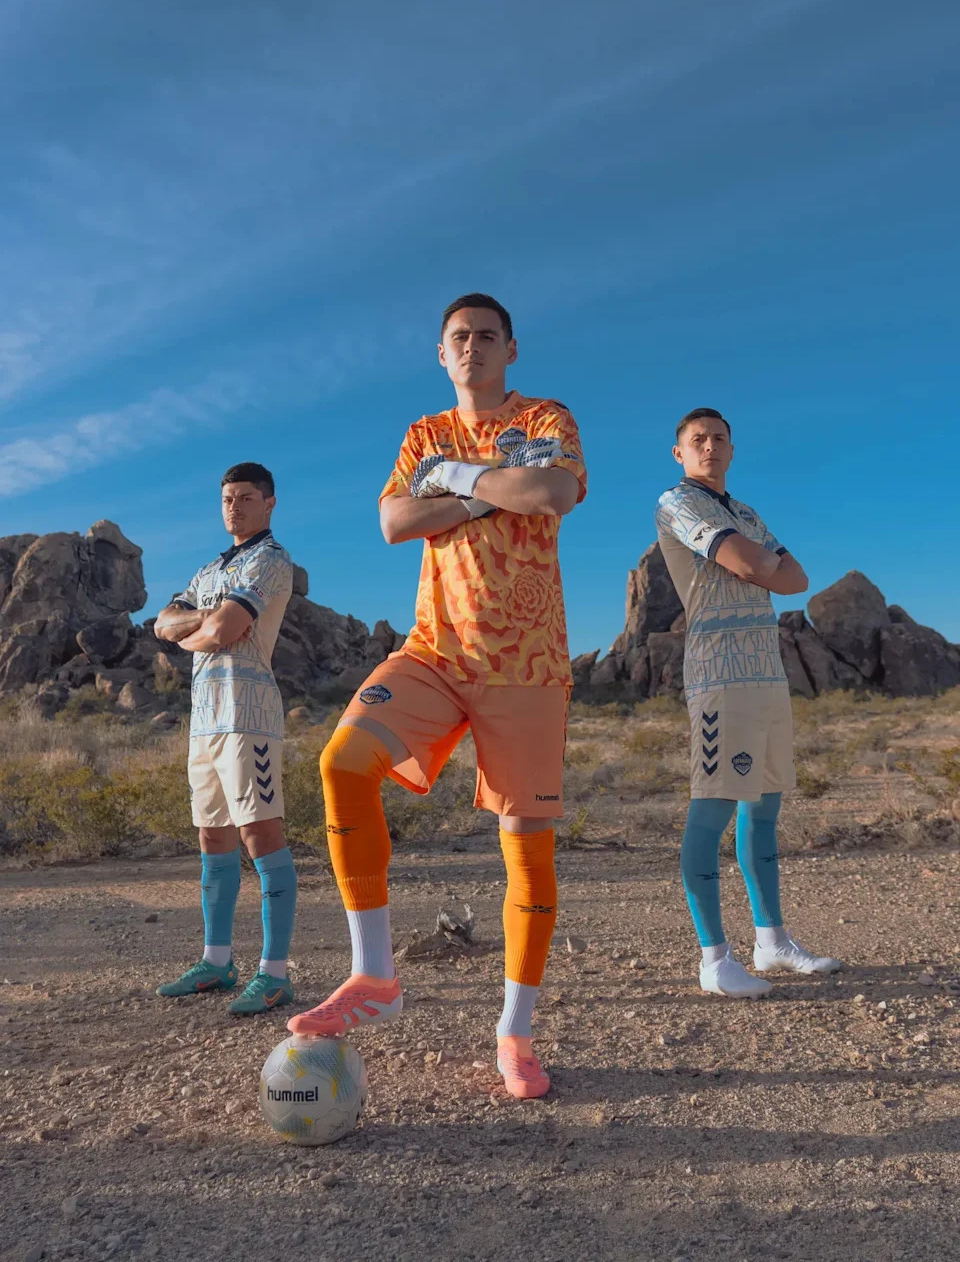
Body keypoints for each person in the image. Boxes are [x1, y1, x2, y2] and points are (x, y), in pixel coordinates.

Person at [287, 293, 587, 1099]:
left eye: (488, 337)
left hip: (526, 664)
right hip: (435, 649)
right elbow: (392, 519)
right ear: (442, 352)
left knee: (526, 846)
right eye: (460, 338)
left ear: (511, 350)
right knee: (343, 762)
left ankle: (515, 1035)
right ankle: (373, 975)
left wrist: (456, 482)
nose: (474, 348)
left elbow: (554, 494)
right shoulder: (423, 434)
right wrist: (484, 490)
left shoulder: (548, 415)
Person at [655, 409, 841, 998]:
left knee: (763, 810)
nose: (709, 447)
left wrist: (762, 563)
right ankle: (714, 959)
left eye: (718, 439)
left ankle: (772, 940)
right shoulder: (677, 503)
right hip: (719, 676)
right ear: (679, 452)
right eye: (697, 440)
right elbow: (753, 564)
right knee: (712, 810)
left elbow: (798, 577)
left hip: (765, 673)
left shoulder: (746, 513)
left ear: (732, 449)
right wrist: (761, 564)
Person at [153, 462, 297, 1014]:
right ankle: (217, 962)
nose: (233, 507)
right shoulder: (211, 569)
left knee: (260, 834)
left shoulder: (271, 560)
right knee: (213, 838)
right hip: (205, 718)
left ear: (269, 503)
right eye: (227, 499)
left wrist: (199, 627)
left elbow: (223, 630)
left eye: (245, 497)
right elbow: (163, 622)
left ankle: (275, 972)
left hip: (249, 713)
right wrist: (201, 626)